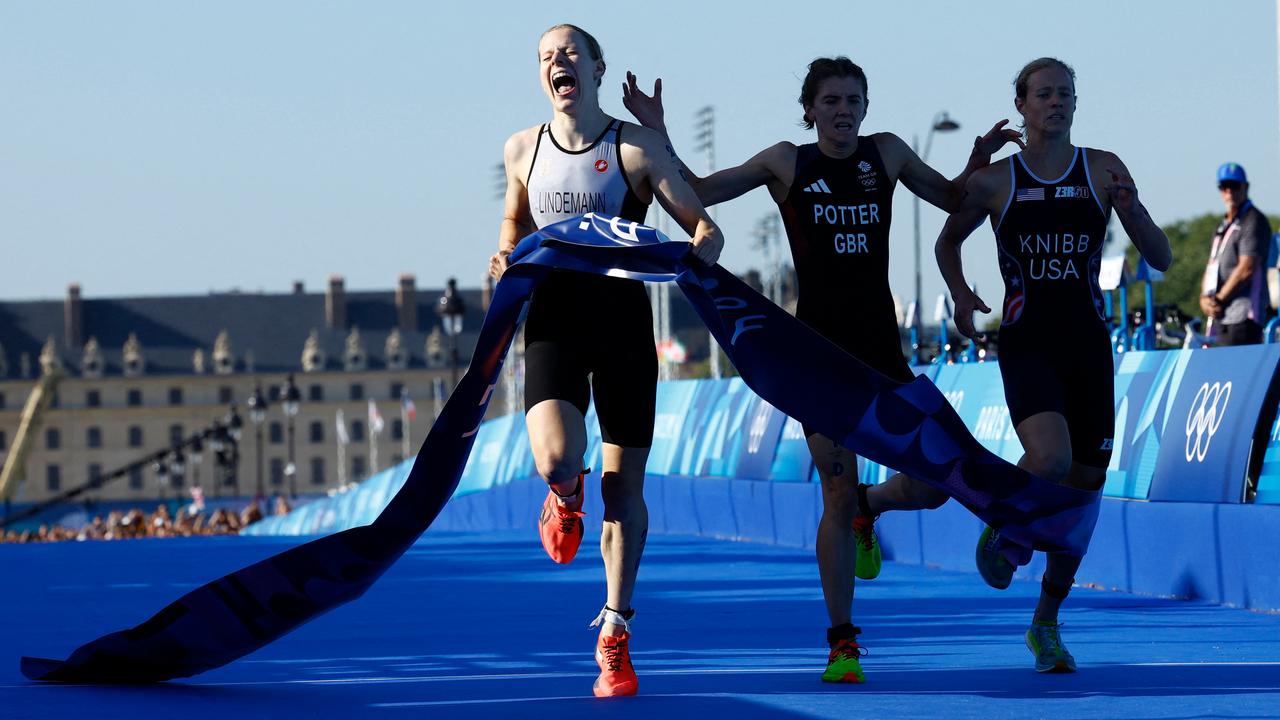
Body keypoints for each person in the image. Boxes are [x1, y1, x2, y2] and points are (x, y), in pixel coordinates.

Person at [623, 57, 1021, 683]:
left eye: (853, 100)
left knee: (933, 485)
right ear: (810, 110)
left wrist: (977, 157)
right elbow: (697, 189)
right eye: (831, 101)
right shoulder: (786, 162)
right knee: (832, 491)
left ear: (866, 106)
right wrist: (658, 132)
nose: (843, 110)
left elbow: (951, 198)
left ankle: (872, 504)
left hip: (882, 356)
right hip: (817, 360)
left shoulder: (887, 154)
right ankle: (842, 642)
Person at [488, 24, 722, 698]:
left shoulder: (634, 147)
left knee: (624, 492)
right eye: (545, 57)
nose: (557, 64)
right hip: (555, 321)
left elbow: (701, 224)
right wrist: (505, 253)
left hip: (623, 326)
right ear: (542, 76)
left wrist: (701, 245)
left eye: (569, 54)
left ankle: (615, 632)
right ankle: (563, 497)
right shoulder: (521, 150)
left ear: (595, 68)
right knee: (558, 458)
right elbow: (514, 224)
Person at [934, 57, 1172, 673]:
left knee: (1084, 491)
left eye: (1066, 93)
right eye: (1044, 94)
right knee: (1050, 460)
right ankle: (1007, 528)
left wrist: (1134, 208)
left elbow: (1163, 257)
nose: (1057, 103)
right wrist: (961, 295)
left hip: (1089, 345)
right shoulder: (995, 182)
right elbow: (946, 240)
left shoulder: (1102, 168)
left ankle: (1045, 623)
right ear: (1022, 105)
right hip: (1028, 340)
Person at [1200, 162, 1272, 345]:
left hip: (1243, 315)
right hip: (1221, 316)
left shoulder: (1253, 220)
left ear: (1245, 187)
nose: (1229, 191)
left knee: (1236, 372)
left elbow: (1246, 268)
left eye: (1234, 186)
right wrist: (1204, 299)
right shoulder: (1222, 225)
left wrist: (1218, 299)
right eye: (1224, 187)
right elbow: (1211, 265)